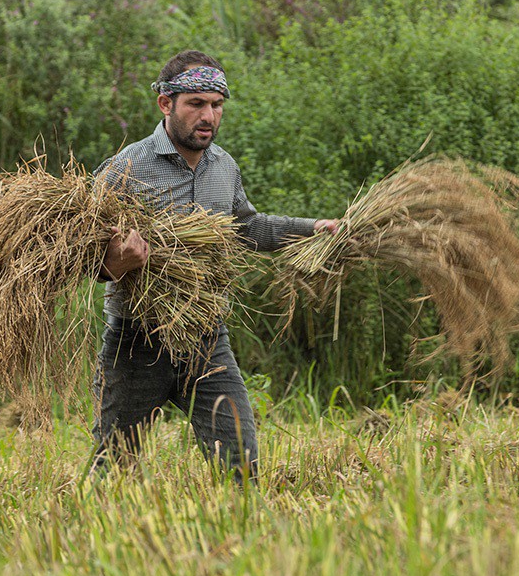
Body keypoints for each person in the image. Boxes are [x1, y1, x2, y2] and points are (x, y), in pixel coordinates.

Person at [90, 50, 338, 482]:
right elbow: (80, 258)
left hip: (207, 340)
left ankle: (240, 542)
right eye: (196, 104)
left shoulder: (223, 167)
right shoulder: (124, 169)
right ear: (166, 104)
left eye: (216, 105)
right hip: (136, 342)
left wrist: (313, 228)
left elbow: (247, 228)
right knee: (114, 467)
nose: (209, 115)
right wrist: (116, 261)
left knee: (241, 460)